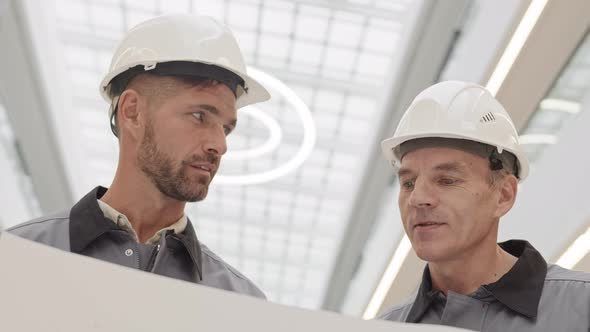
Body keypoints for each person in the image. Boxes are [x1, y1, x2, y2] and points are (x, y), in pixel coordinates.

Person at [8, 14, 270, 298]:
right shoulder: (14, 259)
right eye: (199, 116)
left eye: (227, 129)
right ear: (132, 112)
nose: (220, 144)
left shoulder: (241, 303)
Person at [378, 81, 590, 330]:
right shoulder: (384, 327)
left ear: (503, 195)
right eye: (409, 183)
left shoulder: (581, 307)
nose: (417, 198)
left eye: (447, 180)